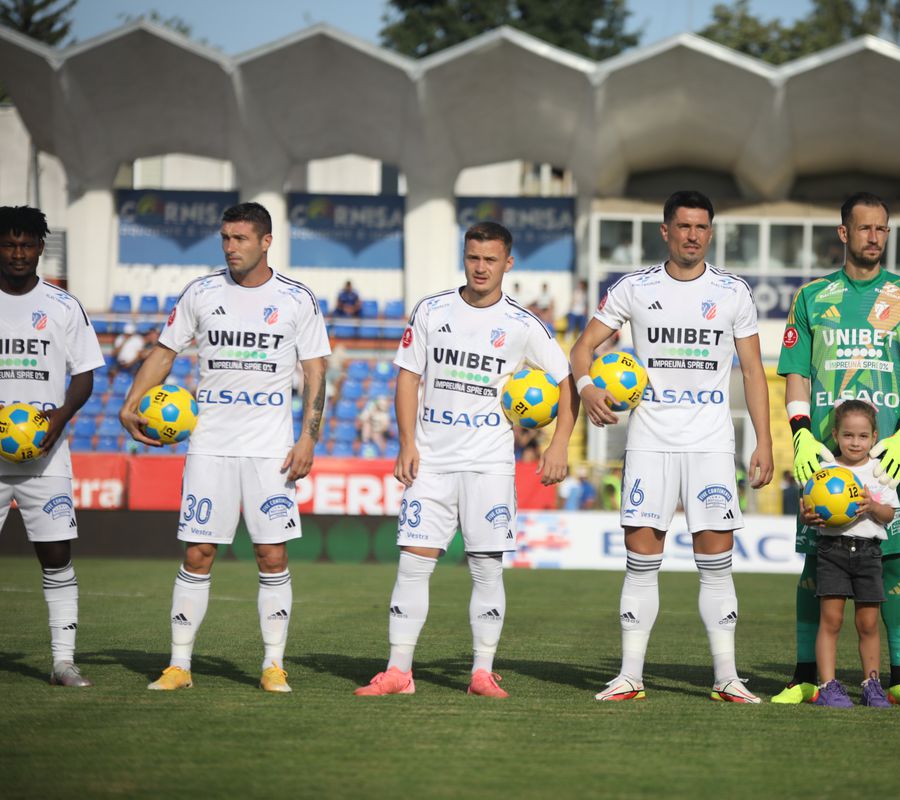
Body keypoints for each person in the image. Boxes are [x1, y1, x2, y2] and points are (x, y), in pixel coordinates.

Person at [354, 222, 576, 698]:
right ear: (465, 257)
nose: (480, 268)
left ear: (507, 264)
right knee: (413, 564)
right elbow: (408, 377)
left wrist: (558, 444)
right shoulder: (433, 311)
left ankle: (481, 672)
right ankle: (398, 672)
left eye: (490, 260)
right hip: (430, 461)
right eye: (473, 258)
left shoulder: (522, 325)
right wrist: (407, 442)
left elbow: (566, 380)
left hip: (488, 464)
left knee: (486, 568)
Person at [570, 189, 773, 703]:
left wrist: (765, 442)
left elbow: (752, 370)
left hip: (709, 443)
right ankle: (630, 676)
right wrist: (587, 388)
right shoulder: (635, 289)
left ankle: (727, 677)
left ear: (711, 231)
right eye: (683, 226)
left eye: (702, 227)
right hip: (650, 441)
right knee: (642, 556)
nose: (693, 236)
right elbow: (582, 349)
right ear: (665, 230)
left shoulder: (733, 292)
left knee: (716, 557)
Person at [120, 202, 330, 693]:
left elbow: (316, 371)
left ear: (266, 241)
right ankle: (179, 665)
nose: (231, 247)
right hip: (210, 444)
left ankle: (273, 664)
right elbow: (166, 352)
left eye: (240, 238)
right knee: (197, 553)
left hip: (270, 450)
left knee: (271, 555)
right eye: (226, 238)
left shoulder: (297, 299)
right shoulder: (202, 292)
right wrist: (131, 402)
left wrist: (308, 437)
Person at [775, 192, 900, 708]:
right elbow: (796, 370)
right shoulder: (812, 296)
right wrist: (800, 432)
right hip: (825, 460)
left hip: (886, 456)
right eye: (865, 228)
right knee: (814, 564)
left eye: (882, 229)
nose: (874, 238)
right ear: (844, 233)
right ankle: (807, 678)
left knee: (893, 562)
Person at [0, 206, 104, 687]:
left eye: (26, 245)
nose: (18, 253)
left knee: (56, 555)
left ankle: (64, 661)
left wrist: (57, 419)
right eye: (9, 244)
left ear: (41, 248)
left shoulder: (64, 306)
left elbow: (84, 375)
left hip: (47, 456)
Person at [801, 400, 898, 708]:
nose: (855, 442)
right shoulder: (825, 473)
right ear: (835, 435)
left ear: (873, 436)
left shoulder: (880, 471)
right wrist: (809, 518)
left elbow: (889, 514)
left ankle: (872, 684)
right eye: (847, 435)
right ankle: (828, 686)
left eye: (862, 436)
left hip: (869, 553)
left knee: (868, 623)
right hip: (832, 551)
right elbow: (807, 511)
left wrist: (872, 506)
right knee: (831, 620)